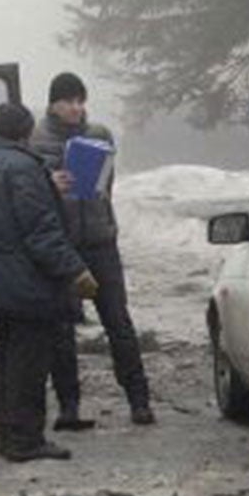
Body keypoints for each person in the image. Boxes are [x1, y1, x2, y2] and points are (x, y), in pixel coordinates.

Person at [0, 100, 98, 462]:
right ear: (25, 132)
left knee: (8, 361)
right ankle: (26, 440)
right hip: (25, 283)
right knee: (29, 363)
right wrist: (75, 270)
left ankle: (9, 434)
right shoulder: (24, 167)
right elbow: (41, 230)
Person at [32, 72, 154, 429]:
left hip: (101, 241)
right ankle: (69, 406)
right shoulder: (36, 141)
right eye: (68, 100)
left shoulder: (99, 135)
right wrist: (50, 185)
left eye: (80, 100)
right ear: (53, 103)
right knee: (61, 330)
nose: (75, 107)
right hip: (63, 245)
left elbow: (108, 183)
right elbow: (27, 192)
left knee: (118, 322)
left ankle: (139, 399)